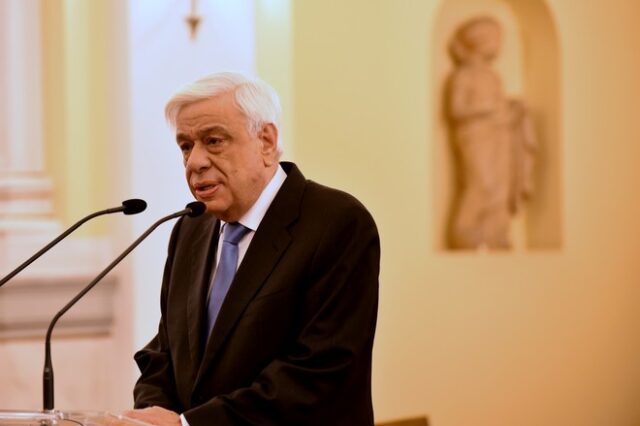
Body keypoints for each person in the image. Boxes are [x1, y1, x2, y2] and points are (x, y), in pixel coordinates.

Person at [125, 72, 380, 426]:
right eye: (185, 146)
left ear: (266, 141)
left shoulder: (337, 223)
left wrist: (189, 424)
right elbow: (164, 353)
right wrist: (149, 417)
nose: (195, 162)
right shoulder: (190, 229)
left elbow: (318, 374)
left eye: (213, 141)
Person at [446, 17, 536, 250]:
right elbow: (456, 109)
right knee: (481, 184)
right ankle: (464, 232)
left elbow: (500, 111)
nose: (499, 45)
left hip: (499, 136)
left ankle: (494, 234)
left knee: (499, 189)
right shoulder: (463, 75)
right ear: (480, 41)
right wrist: (486, 108)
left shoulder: (493, 76)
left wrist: (512, 111)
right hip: (475, 137)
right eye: (496, 39)